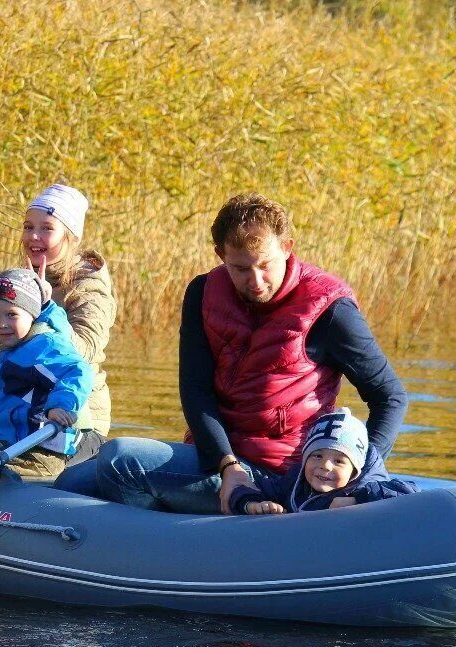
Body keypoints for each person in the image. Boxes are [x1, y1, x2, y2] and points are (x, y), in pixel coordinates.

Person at [96, 193, 408, 514]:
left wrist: (357, 478)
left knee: (119, 460)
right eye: (241, 268)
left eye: (265, 265)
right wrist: (228, 466)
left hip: (283, 474)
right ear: (221, 255)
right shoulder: (203, 292)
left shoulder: (329, 308)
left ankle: (176, 548)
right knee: (75, 483)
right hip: (220, 459)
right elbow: (196, 390)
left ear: (287, 248)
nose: (256, 281)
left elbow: (390, 396)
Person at [0, 268, 95, 480]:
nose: (2, 324)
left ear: (31, 314)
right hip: (10, 440)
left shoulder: (45, 344)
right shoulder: (13, 347)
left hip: (42, 447)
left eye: (12, 315)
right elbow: (18, 388)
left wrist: (61, 405)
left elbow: (78, 371)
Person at [228, 409, 419, 515]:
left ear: (354, 470)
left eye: (338, 461)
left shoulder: (365, 486)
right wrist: (251, 503)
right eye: (317, 455)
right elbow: (257, 488)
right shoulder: (296, 482)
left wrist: (358, 500)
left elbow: (409, 492)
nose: (325, 465)